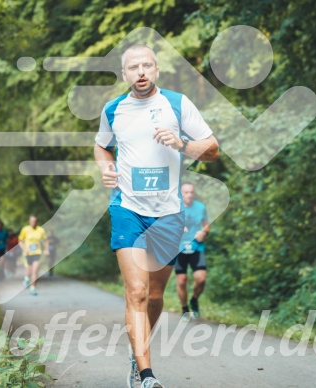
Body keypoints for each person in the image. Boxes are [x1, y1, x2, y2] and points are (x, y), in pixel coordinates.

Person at [94, 44, 219, 388]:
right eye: (133, 67)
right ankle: (146, 374)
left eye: (146, 65)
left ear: (157, 69)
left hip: (168, 214)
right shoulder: (113, 109)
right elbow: (102, 145)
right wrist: (106, 168)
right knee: (135, 290)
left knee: (153, 296)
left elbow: (212, 150)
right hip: (127, 209)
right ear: (124, 74)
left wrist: (182, 145)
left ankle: (138, 349)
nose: (141, 72)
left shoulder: (177, 104)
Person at [175, 183, 209, 320]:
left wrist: (204, 233)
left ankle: (194, 300)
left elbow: (206, 225)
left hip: (196, 247)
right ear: (181, 194)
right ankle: (184, 309)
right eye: (186, 192)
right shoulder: (174, 208)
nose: (189, 195)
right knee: (182, 281)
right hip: (179, 249)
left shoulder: (200, 207)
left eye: (191, 192)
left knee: (201, 279)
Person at [18, 215, 49, 296]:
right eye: (32, 221)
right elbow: (20, 240)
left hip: (37, 253)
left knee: (34, 272)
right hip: (28, 254)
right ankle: (26, 279)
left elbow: (46, 240)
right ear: (29, 221)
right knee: (29, 271)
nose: (33, 223)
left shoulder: (41, 230)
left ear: (37, 221)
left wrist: (46, 249)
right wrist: (24, 249)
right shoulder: (25, 229)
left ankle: (33, 288)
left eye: (35, 221)